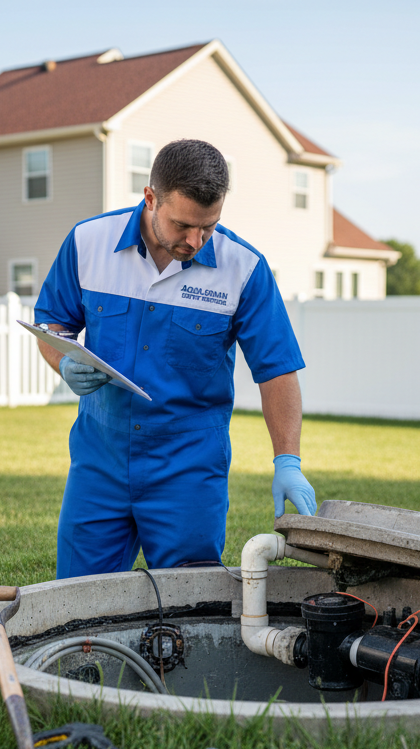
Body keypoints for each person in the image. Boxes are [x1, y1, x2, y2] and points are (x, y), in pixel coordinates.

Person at [35, 138, 315, 579]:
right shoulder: (88, 242)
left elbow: (276, 369)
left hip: (188, 469)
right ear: (150, 197)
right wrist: (63, 361)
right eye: (183, 224)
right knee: (77, 598)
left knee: (187, 605)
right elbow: (52, 324)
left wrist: (288, 461)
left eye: (209, 226)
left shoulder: (243, 269)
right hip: (98, 460)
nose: (196, 240)